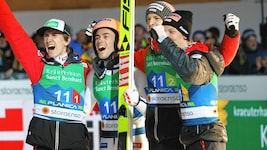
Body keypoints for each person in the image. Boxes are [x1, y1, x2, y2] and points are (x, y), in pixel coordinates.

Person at [123, 1, 240, 150]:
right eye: (148, 19)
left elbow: (221, 59)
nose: (151, 23)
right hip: (156, 128)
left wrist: (232, 35)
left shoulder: (191, 52)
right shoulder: (147, 53)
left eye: (156, 19)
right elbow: (126, 60)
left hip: (184, 125)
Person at [0, 1, 92, 149]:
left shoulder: (85, 67)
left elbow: (102, 88)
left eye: (55, 35)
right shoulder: (38, 63)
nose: (49, 39)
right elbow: (14, 32)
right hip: (44, 140)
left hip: (75, 139)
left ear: (67, 40)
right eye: (46, 35)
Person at [149, 10, 226, 150]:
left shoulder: (197, 55)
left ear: (184, 36)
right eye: (164, 32)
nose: (166, 36)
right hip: (192, 134)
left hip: (205, 133)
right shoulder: (179, 60)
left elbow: (192, 73)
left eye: (171, 32)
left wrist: (163, 40)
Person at [85, 18, 148, 150]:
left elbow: (151, 112)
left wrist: (137, 102)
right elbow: (84, 111)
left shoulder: (133, 72)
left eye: (106, 36)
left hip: (135, 137)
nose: (99, 41)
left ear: (118, 41)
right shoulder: (93, 76)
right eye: (96, 37)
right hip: (107, 139)